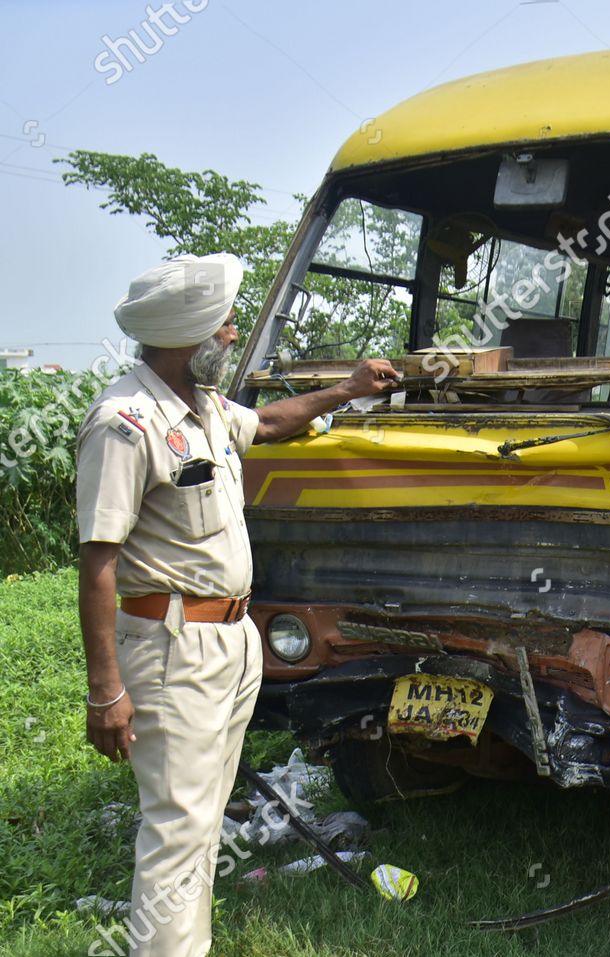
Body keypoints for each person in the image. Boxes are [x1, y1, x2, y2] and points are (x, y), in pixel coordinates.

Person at [77, 254, 400, 957]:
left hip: (230, 640)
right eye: (224, 325)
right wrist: (106, 690)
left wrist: (345, 389)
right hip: (171, 646)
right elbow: (97, 559)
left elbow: (273, 422)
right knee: (177, 828)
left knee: (201, 819)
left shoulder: (206, 408)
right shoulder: (125, 423)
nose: (231, 336)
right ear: (188, 335)